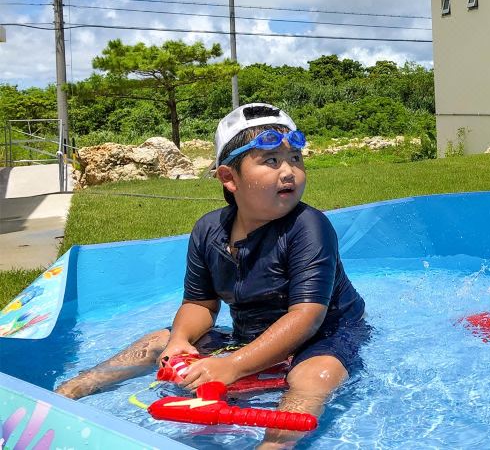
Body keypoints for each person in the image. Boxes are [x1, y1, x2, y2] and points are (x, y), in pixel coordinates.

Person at [56, 103, 368, 450]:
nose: (289, 171)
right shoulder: (209, 230)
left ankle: (275, 445)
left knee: (314, 376)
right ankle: (67, 393)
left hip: (324, 334)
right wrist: (181, 341)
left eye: (295, 158)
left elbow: (307, 317)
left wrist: (232, 366)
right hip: (252, 334)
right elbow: (200, 303)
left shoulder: (308, 226)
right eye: (271, 160)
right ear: (229, 178)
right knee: (157, 339)